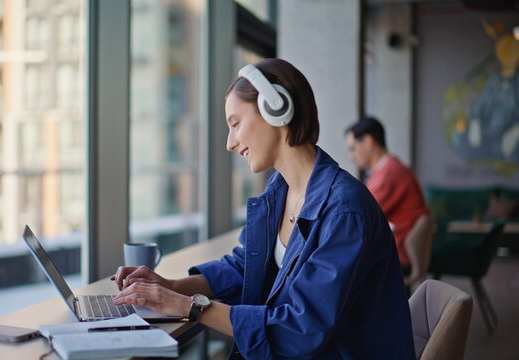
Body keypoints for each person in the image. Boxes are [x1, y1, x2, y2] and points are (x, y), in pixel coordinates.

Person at [112, 59, 415, 359]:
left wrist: (188, 307)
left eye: (235, 123)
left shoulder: (345, 211)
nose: (230, 142)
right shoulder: (279, 191)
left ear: (277, 109)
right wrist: (172, 286)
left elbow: (299, 330)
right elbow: (246, 266)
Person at [345, 117, 429, 273]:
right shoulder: (392, 168)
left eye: (352, 148)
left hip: (395, 255)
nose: (351, 156)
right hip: (398, 251)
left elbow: (358, 216)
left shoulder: (388, 175)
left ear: (368, 141)